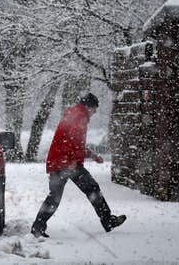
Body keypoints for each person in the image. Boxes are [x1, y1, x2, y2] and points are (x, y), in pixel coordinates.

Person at [31, 92, 126, 238]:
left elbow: (75, 142)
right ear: (88, 106)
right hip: (67, 164)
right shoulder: (80, 116)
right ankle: (108, 221)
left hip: (60, 161)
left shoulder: (74, 114)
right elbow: (72, 141)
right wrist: (72, 160)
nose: (94, 112)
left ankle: (38, 227)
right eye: (94, 109)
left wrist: (92, 156)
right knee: (92, 189)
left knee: (54, 197)